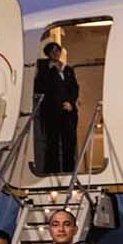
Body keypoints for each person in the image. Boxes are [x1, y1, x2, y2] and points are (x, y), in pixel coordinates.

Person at [35, 40, 82, 176]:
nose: (56, 53)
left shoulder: (67, 69)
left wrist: (70, 102)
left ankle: (69, 170)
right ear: (48, 54)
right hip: (52, 111)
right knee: (52, 142)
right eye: (53, 51)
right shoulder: (45, 70)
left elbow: (74, 88)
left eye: (57, 51)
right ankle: (52, 170)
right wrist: (50, 69)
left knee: (69, 142)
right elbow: (41, 87)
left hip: (68, 111)